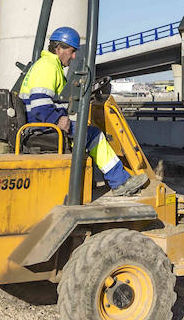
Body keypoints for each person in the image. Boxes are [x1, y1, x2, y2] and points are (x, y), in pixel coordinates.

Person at [17, 26, 147, 196]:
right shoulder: (48, 66)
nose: (73, 56)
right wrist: (57, 120)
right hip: (43, 128)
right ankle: (120, 181)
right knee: (94, 135)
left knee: (84, 130)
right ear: (59, 48)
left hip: (37, 125)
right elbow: (40, 104)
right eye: (71, 51)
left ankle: (102, 179)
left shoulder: (46, 65)